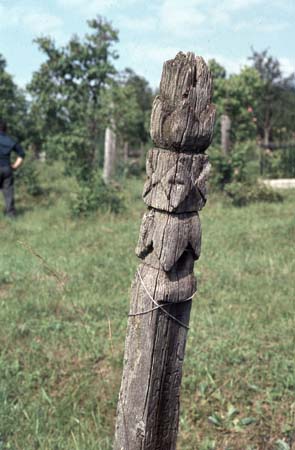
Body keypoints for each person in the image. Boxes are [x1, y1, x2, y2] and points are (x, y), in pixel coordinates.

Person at [0, 118, 25, 218]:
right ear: (6, 129)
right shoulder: (10, 140)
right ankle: (11, 215)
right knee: (8, 192)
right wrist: (15, 166)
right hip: (7, 169)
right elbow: (22, 154)